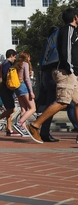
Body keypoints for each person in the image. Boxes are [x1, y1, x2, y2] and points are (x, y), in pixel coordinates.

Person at [27, 8, 78, 143]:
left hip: (61, 72)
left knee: (76, 102)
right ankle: (34, 125)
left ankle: (42, 130)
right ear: (76, 17)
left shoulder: (59, 34)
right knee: (62, 102)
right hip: (65, 71)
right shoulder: (68, 30)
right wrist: (70, 68)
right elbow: (65, 51)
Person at [0, 49, 20, 136]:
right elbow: (7, 77)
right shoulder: (7, 64)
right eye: (14, 57)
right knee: (11, 109)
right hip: (5, 89)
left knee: (9, 108)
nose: (15, 59)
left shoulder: (4, 63)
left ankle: (9, 129)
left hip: (3, 89)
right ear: (11, 56)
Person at [12, 52, 36, 136]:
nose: (30, 58)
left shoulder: (17, 65)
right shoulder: (25, 64)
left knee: (23, 109)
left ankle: (23, 128)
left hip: (17, 87)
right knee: (33, 108)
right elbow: (26, 79)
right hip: (23, 86)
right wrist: (31, 91)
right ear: (26, 57)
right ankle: (20, 123)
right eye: (29, 56)